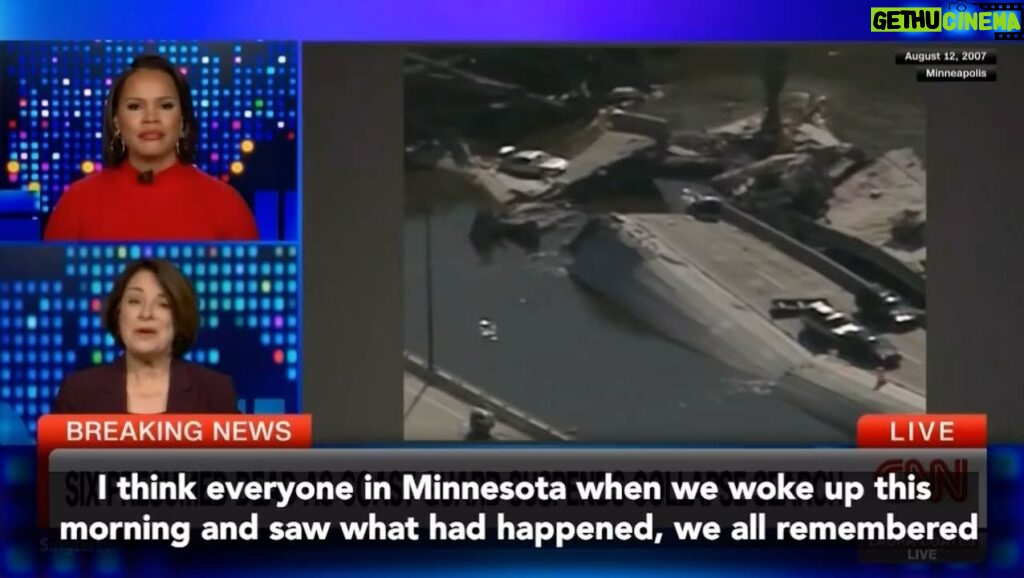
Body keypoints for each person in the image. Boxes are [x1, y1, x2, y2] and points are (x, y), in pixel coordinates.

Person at [43, 54, 259, 241]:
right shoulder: (77, 202)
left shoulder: (226, 204)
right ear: (117, 122)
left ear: (183, 120)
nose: (151, 118)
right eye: (135, 106)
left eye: (165, 106)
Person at [53, 259, 239, 414]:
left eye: (163, 304)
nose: (146, 313)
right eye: (135, 301)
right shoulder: (78, 393)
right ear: (119, 314)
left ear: (179, 318)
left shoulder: (215, 393)